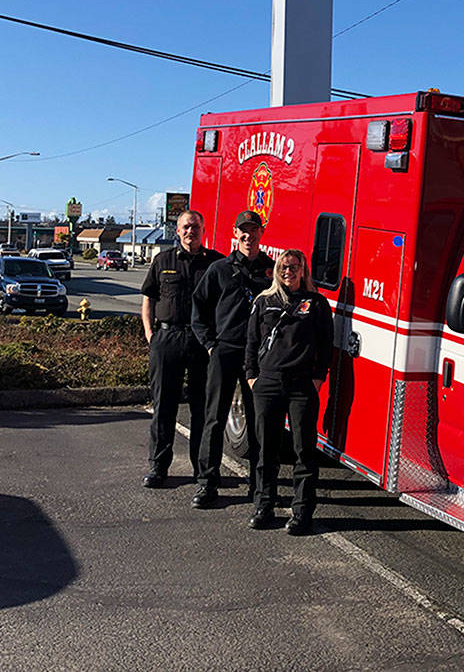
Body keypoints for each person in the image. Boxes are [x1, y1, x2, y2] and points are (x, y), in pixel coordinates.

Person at [245, 249, 334, 535]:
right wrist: (251, 378)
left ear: (303, 271)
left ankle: (302, 512)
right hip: (267, 383)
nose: (289, 272)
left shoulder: (317, 304)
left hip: (301, 385)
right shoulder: (263, 301)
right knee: (266, 449)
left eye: (295, 267)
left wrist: (318, 379)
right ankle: (263, 506)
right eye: (284, 267)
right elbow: (251, 342)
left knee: (303, 451)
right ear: (276, 270)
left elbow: (326, 345)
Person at [189, 210, 273, 509]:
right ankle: (207, 484)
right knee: (214, 419)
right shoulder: (220, 269)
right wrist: (210, 345)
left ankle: (260, 488)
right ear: (235, 234)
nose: (249, 235)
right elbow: (198, 308)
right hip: (224, 351)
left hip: (259, 358)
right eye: (243, 231)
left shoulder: (271, 272)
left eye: (254, 230)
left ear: (262, 233)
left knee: (259, 422)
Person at [140, 210, 224, 489]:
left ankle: (203, 472)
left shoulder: (216, 263)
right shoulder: (162, 261)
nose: (191, 231)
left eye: (196, 227)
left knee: (202, 408)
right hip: (167, 339)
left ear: (203, 230)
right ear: (177, 231)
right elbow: (149, 300)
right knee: (164, 407)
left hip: (202, 343)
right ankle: (158, 467)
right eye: (186, 227)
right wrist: (150, 334)